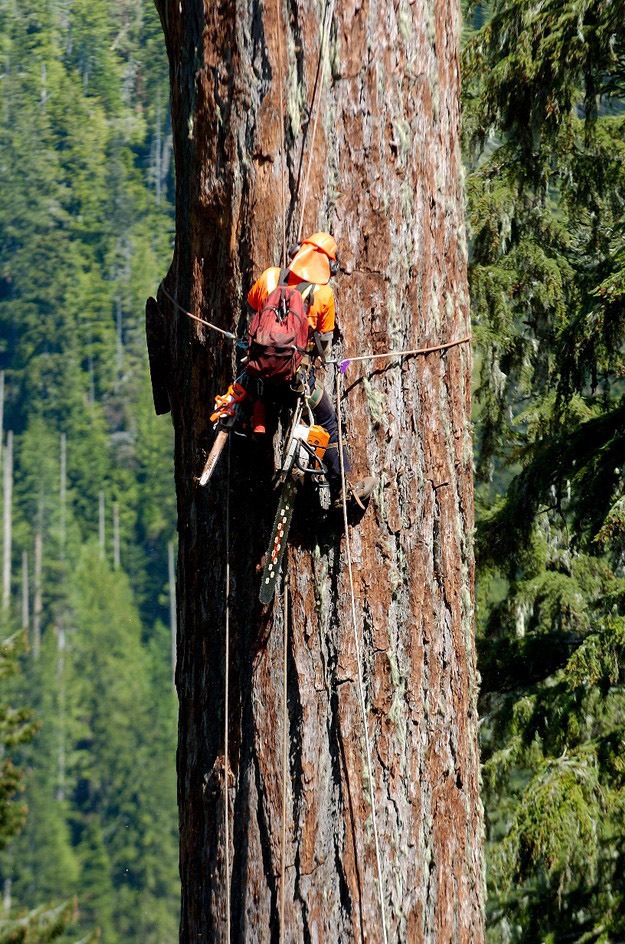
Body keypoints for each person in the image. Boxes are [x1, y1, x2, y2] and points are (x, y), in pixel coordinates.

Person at [244, 232, 376, 508]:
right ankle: (342, 489)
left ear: (298, 253)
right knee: (328, 421)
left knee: (255, 424)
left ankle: (253, 487)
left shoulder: (270, 277)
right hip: (295, 380)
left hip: (259, 378)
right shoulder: (323, 294)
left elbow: (252, 308)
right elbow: (322, 345)